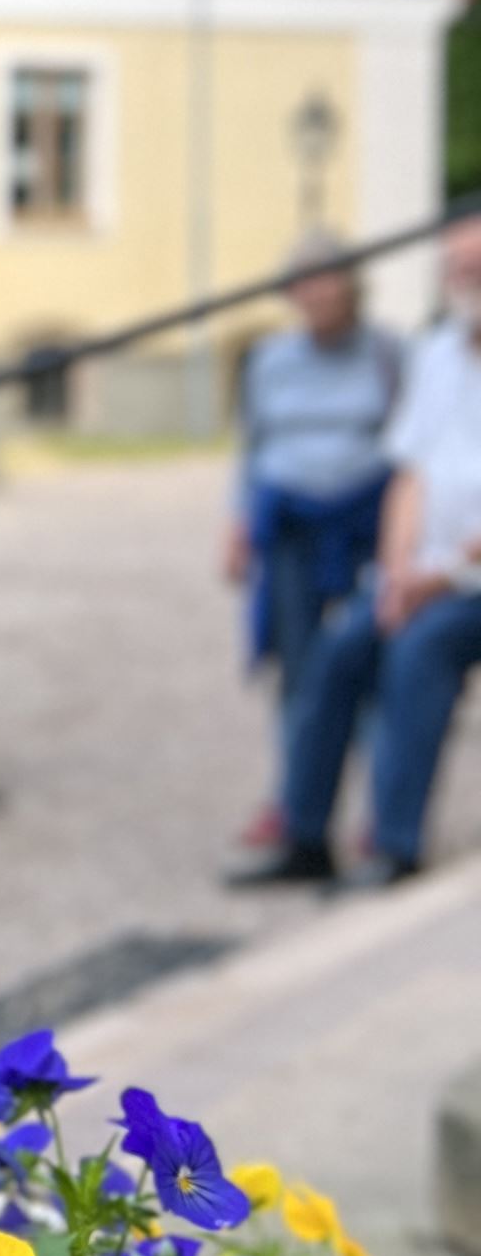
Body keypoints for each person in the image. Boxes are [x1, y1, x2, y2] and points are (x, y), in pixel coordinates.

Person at [234, 216, 481, 891]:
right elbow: (410, 473)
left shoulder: (396, 353)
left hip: (466, 582)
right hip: (423, 574)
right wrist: (398, 571)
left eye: (476, 266)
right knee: (333, 655)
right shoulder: (437, 354)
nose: (466, 279)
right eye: (456, 267)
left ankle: (396, 842)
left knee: (417, 653)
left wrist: (435, 579)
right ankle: (305, 834)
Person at [223, 238, 402, 849]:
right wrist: (238, 524)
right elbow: (252, 448)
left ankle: (381, 807)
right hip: (291, 529)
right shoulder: (270, 361)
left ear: (353, 286)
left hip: (364, 526)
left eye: (329, 280)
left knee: (369, 665)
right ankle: (295, 802)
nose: (319, 294)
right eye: (306, 283)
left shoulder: (388, 354)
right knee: (296, 671)